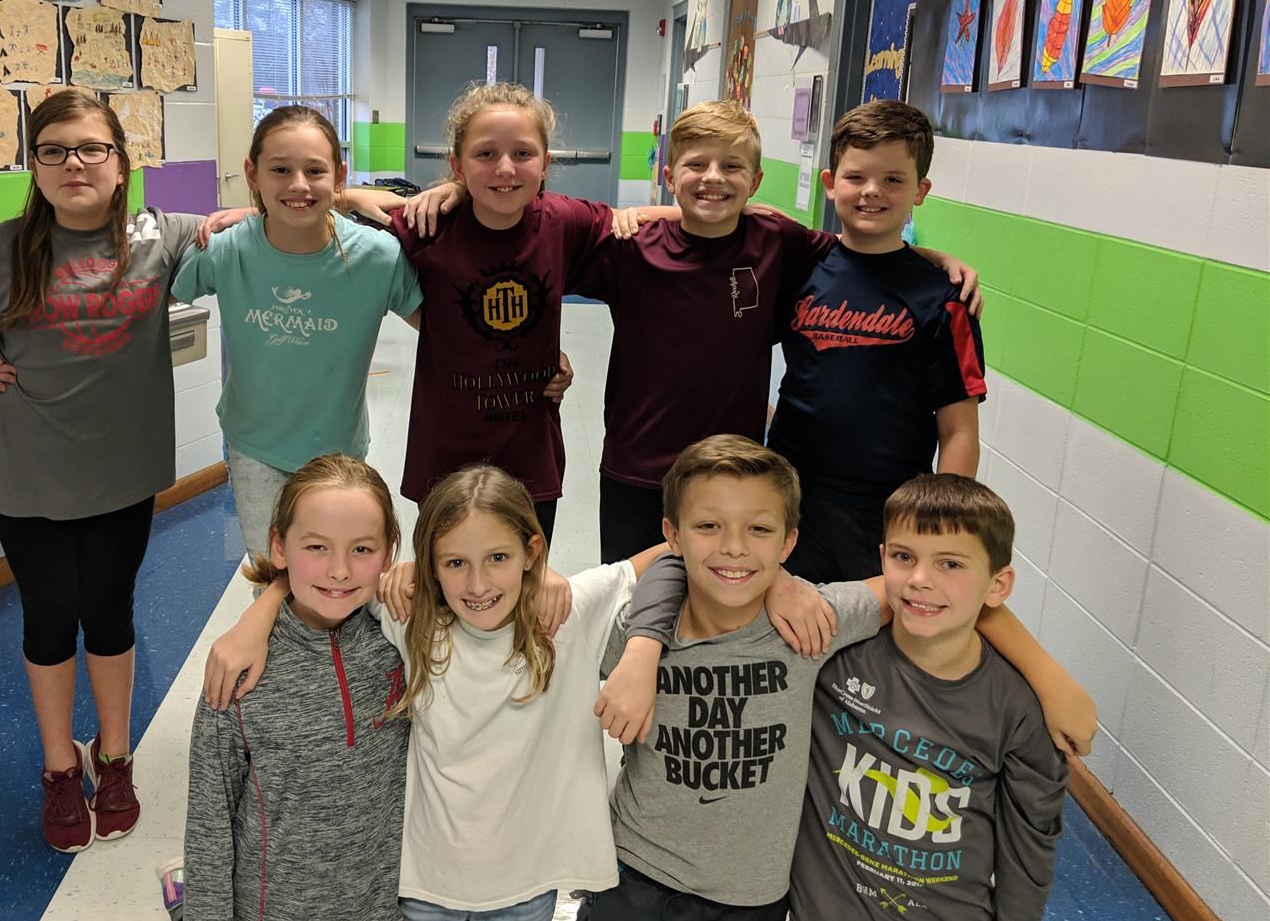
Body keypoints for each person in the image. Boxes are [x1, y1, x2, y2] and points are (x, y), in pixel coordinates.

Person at [204, 461, 830, 921]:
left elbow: (680, 554)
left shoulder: (570, 612)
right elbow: (330, 575)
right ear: (427, 564)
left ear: (531, 551)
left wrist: (782, 581)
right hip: (422, 886)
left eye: (499, 558)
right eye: (455, 563)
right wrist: (258, 613)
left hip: (526, 890)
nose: (478, 585)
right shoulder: (409, 617)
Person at [388, 99, 980, 564]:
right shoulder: (630, 245)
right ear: (670, 175)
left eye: (732, 168)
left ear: (755, 179)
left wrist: (932, 258)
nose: (713, 179)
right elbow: (520, 251)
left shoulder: (779, 243)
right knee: (630, 604)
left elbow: (866, 253)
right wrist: (457, 194)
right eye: (696, 166)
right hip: (634, 467)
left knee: (724, 604)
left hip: (736, 470)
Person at [578, 435, 1095, 921]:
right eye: (710, 526)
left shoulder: (816, 622)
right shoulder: (630, 633)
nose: (734, 546)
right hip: (637, 875)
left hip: (752, 901)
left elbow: (926, 595)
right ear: (673, 533)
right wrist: (645, 646)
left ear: (788, 543)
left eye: (759, 529)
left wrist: (1047, 674)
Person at [0, 89, 204, 852]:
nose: (73, 162)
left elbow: (270, 213)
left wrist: (353, 191)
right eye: (54, 150)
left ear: (121, 164)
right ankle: (56, 767)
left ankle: (113, 758)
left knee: (109, 613)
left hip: (124, 476)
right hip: (29, 478)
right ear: (35, 167)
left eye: (91, 148)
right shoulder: (1, 247)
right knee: (48, 620)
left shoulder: (161, 237)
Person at [786, 473, 1067, 921]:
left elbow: (1028, 852)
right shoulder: (829, 657)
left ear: (998, 585)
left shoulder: (1018, 710)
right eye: (903, 557)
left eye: (951, 564)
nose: (920, 579)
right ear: (882, 561)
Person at [356, 82, 620, 541]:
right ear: (457, 166)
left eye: (522, 153)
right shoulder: (429, 224)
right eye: (485, 155)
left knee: (525, 590)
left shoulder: (563, 222)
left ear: (546, 164)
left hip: (529, 457)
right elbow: (310, 212)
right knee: (444, 591)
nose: (504, 169)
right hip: (447, 457)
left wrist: (749, 214)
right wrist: (346, 196)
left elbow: (650, 223)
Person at [170, 105, 423, 559]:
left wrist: (532, 360)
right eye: (280, 170)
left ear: (340, 174)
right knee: (273, 574)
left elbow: (446, 332)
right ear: (253, 172)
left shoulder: (377, 257)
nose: (299, 184)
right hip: (255, 446)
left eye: (315, 170)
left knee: (334, 575)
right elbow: (145, 297)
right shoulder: (227, 250)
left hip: (338, 452)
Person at [182, 454, 410, 921]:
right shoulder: (238, 672)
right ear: (278, 547)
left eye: (363, 549)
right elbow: (210, 829)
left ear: (391, 552)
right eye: (316, 547)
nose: (340, 570)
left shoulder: (405, 641)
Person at [768, 100, 986, 582]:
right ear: (830, 184)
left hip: (887, 509)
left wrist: (941, 525)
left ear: (920, 191)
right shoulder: (800, 269)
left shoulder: (944, 298)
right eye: (856, 177)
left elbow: (959, 429)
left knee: (866, 642)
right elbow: (736, 218)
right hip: (787, 496)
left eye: (893, 179)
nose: (872, 192)